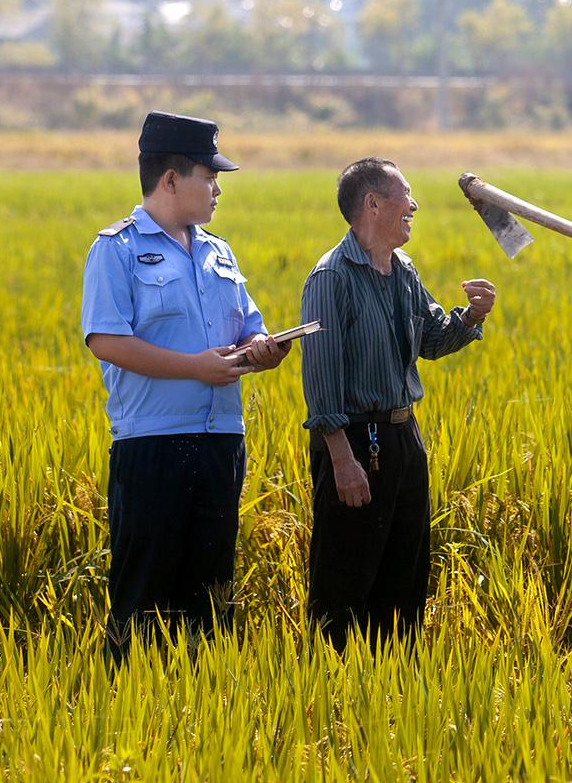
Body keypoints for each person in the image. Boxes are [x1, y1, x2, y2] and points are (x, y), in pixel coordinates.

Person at [81, 111, 290, 665]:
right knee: (144, 598)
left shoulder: (219, 251)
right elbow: (106, 340)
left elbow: (249, 327)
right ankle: (128, 701)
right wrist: (195, 367)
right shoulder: (117, 249)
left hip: (221, 442)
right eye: (209, 176)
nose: (218, 189)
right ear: (171, 179)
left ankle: (202, 703)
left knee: (211, 596)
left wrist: (263, 348)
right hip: (153, 445)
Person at [299, 158, 496, 652]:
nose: (414, 205)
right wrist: (342, 460)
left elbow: (431, 339)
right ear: (372, 204)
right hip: (353, 444)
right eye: (404, 196)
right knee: (346, 578)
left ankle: (395, 680)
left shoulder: (403, 270)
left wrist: (471, 316)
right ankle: (331, 681)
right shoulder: (331, 278)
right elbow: (320, 377)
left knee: (405, 573)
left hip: (404, 439)